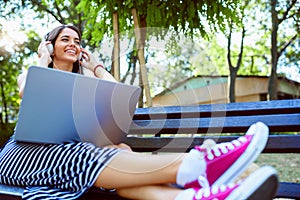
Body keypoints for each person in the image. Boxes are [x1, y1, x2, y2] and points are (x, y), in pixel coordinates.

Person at [0, 24, 278, 200]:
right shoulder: (37, 72)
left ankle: (196, 198)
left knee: (120, 148)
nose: (73, 43)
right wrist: (43, 57)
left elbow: (118, 99)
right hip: (25, 153)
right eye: (64, 39)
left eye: (77, 39)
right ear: (51, 45)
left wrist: (96, 67)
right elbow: (26, 91)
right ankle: (198, 165)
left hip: (72, 155)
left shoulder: (85, 83)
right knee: (87, 154)